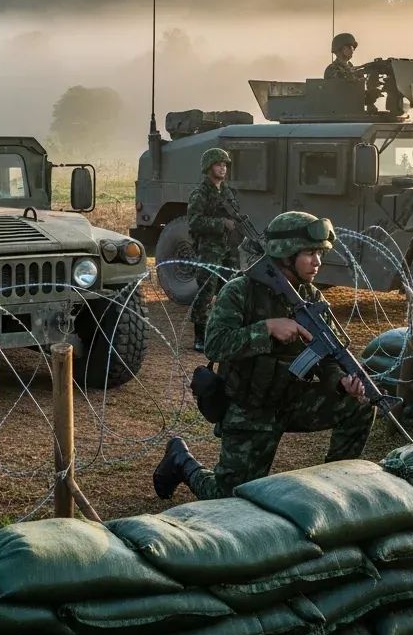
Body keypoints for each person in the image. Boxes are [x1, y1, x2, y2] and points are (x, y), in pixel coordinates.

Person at [154, 211, 374, 500]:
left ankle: (335, 490)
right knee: (227, 498)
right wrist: (267, 328)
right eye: (309, 253)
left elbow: (328, 356)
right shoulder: (241, 291)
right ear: (285, 254)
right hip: (250, 408)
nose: (318, 262)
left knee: (360, 406)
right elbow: (215, 344)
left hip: (293, 399)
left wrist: (341, 382)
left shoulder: (312, 298)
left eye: (319, 253)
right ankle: (182, 462)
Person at [187, 147, 243, 352]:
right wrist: (221, 224)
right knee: (206, 292)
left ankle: (223, 332)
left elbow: (235, 216)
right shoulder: (200, 194)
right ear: (209, 166)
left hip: (230, 249)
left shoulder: (227, 191)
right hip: (209, 249)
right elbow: (194, 222)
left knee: (230, 290)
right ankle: (200, 337)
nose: (223, 168)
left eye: (225, 164)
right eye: (219, 164)